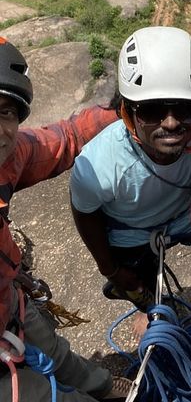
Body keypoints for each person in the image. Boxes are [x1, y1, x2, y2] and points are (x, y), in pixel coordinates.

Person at [0, 36, 128, 400]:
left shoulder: (8, 158)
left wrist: (122, 110)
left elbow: (65, 139)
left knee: (54, 350)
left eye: (5, 111)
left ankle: (102, 385)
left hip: (10, 301)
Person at [70, 26, 191, 315]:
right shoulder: (98, 166)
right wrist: (111, 269)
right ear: (127, 111)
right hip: (132, 233)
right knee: (136, 284)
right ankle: (146, 304)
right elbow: (85, 212)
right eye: (152, 110)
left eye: (185, 108)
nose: (170, 123)